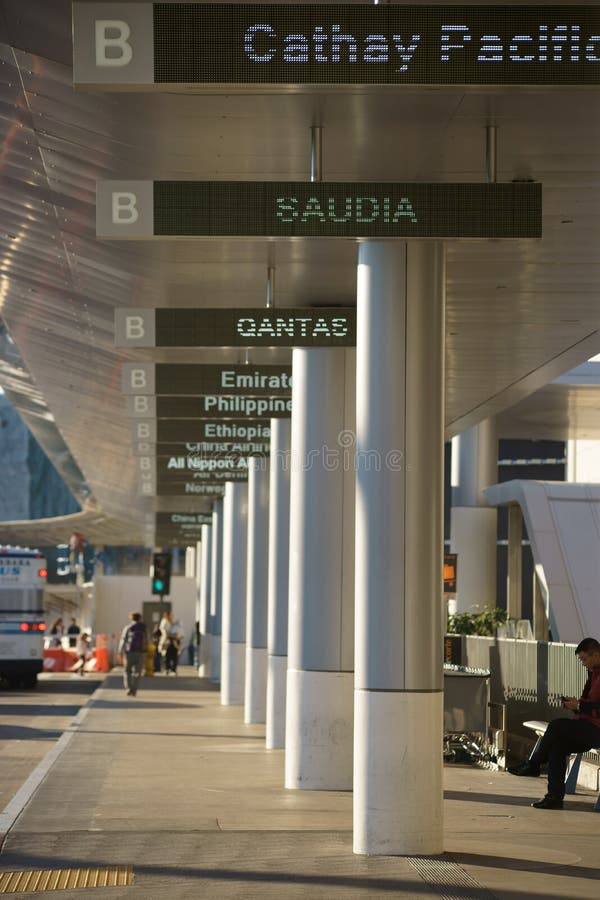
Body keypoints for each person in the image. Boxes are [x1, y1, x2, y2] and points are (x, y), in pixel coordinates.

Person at [508, 636, 600, 809]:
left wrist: (579, 705)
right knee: (558, 747)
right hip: (586, 726)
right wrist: (575, 705)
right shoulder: (594, 673)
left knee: (556, 725)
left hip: (595, 731)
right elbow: (589, 705)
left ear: (595, 654)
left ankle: (534, 765)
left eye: (584, 659)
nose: (582, 663)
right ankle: (554, 798)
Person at [118, 612, 147, 697]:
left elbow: (123, 639)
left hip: (129, 653)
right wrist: (146, 650)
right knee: (137, 672)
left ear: (131, 618)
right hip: (140, 653)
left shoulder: (128, 628)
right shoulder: (143, 628)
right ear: (140, 618)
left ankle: (128, 688)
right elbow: (147, 639)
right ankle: (134, 690)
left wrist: (120, 651)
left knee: (127, 671)